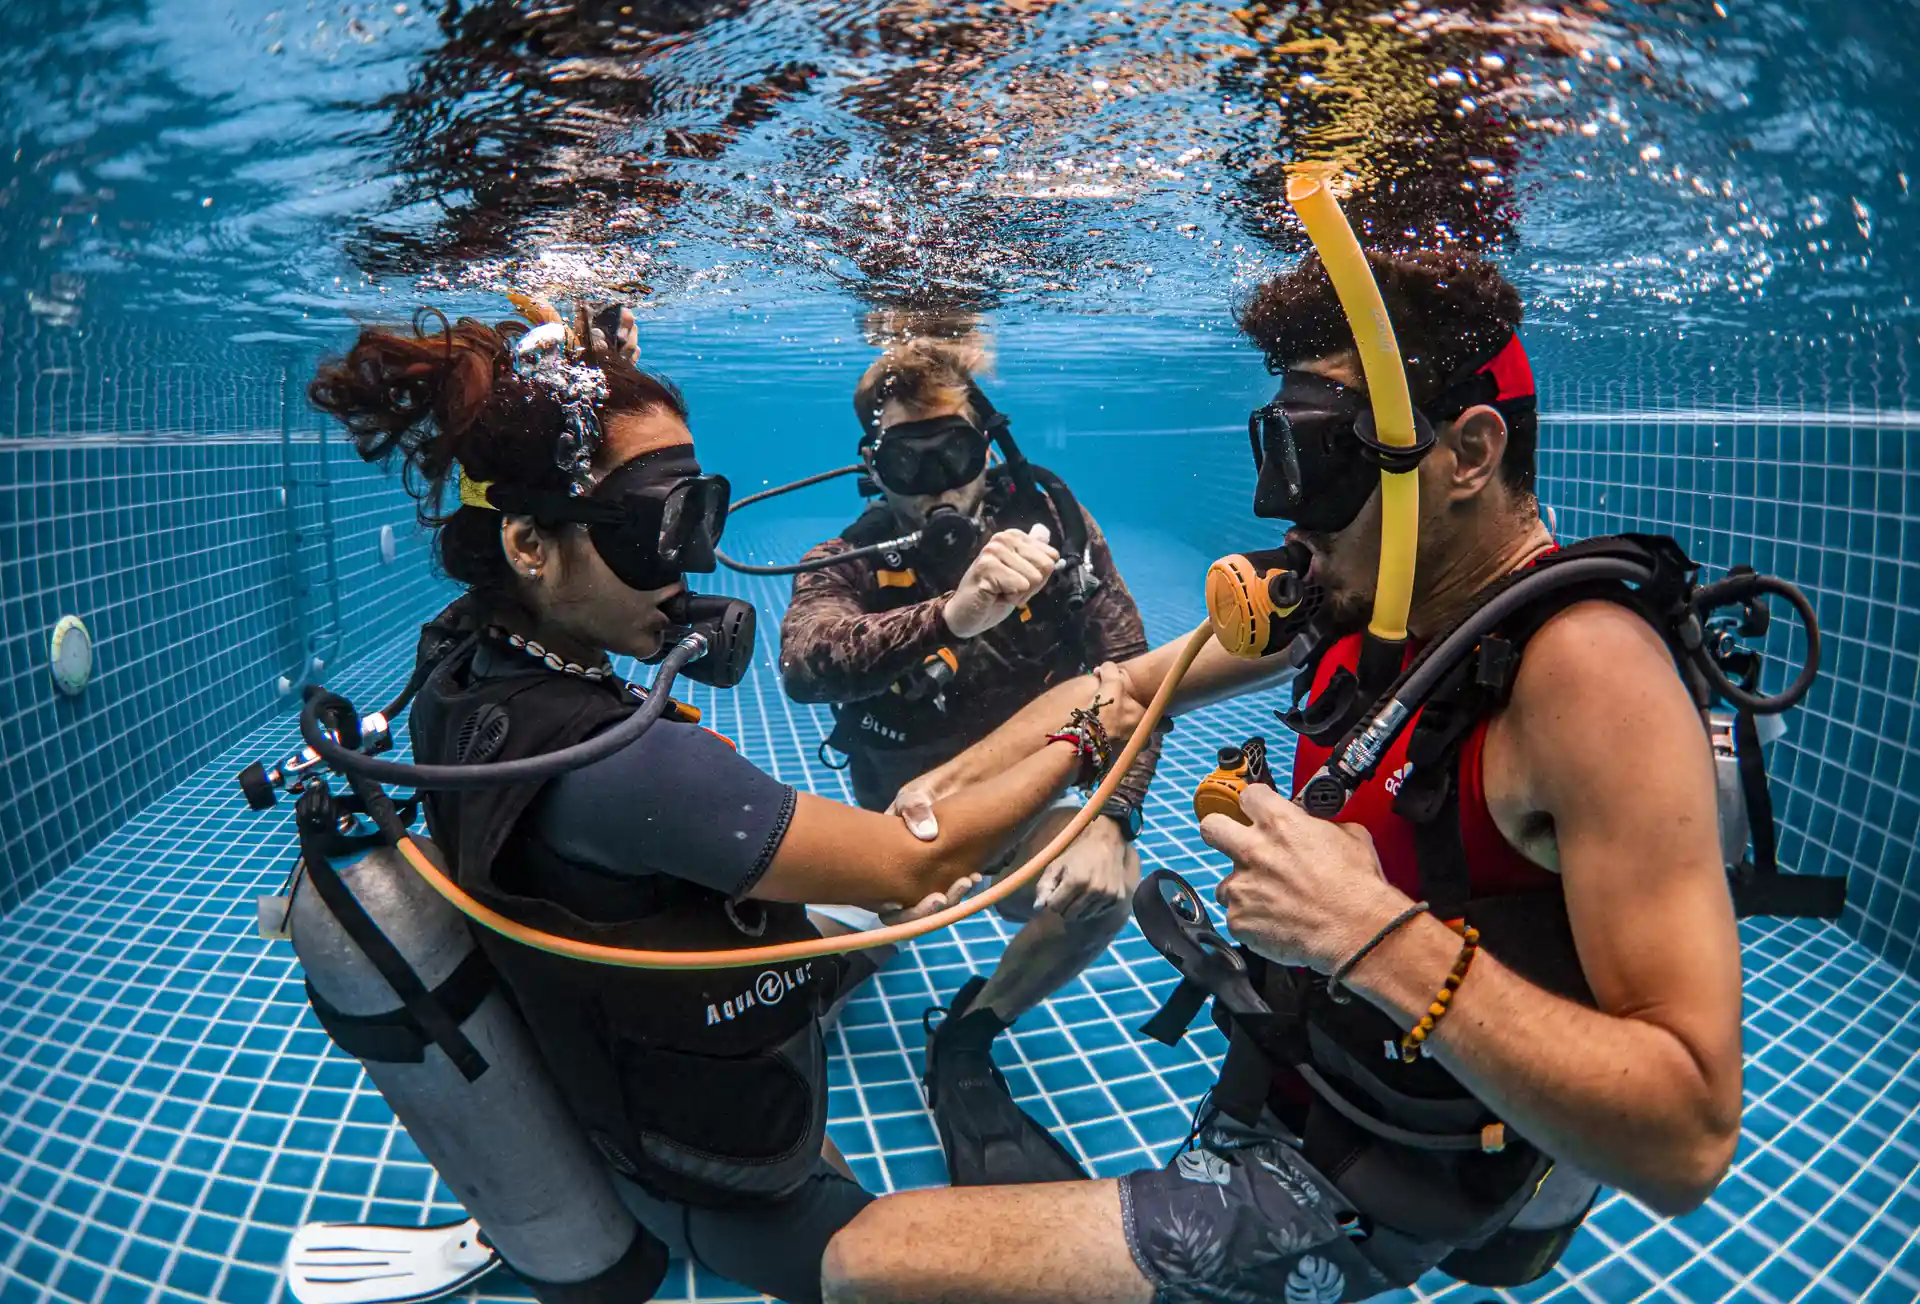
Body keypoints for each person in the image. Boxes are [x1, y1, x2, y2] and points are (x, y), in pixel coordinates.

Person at [818, 250, 1749, 1303]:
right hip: (1303, 1066)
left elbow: (1688, 1142)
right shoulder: (1364, 598)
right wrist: (923, 820)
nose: (1282, 514)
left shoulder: (1586, 675)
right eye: (1275, 451)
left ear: (1470, 453)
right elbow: (1122, 689)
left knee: (870, 1261)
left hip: (1383, 1179)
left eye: (1318, 463)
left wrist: (1366, 933)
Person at [301, 300, 1145, 1304]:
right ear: (528, 546)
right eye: (662, 526)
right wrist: (1084, 728)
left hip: (611, 1057)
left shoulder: (463, 657)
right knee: (880, 1248)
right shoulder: (631, 766)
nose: (697, 561)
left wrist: (596, 392)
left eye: (697, 513)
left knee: (872, 926)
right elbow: (909, 861)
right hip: (706, 1172)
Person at [777, 310, 1164, 1188]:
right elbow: (805, 663)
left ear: (987, 448)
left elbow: (1135, 674)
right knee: (802, 974)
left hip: (1019, 807)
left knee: (1107, 890)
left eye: (951, 456)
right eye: (906, 465)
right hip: (895, 826)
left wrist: (1116, 816)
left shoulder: (1055, 525)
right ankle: (852, 958)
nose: (934, 492)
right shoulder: (854, 554)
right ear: (872, 468)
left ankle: (974, 1029)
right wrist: (949, 617)